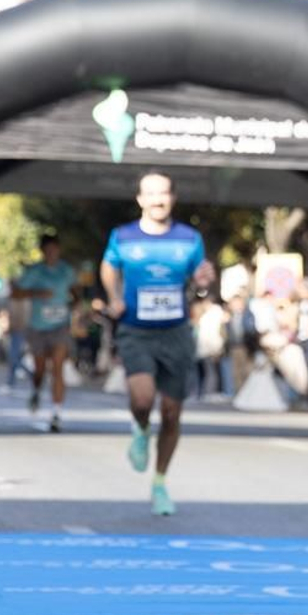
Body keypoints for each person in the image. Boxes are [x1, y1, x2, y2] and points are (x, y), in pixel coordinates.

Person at [100, 171, 205, 515]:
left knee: (172, 413)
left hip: (176, 332)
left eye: (164, 193)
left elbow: (200, 275)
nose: (158, 200)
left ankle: (159, 482)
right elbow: (108, 267)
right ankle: (141, 427)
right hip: (136, 329)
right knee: (143, 398)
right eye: (151, 194)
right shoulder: (123, 236)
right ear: (140, 199)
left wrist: (204, 280)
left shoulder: (189, 238)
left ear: (172, 198)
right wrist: (114, 297)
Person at [13, 233, 78, 432]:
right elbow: (16, 293)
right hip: (38, 327)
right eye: (47, 250)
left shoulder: (66, 271)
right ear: (42, 251)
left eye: (54, 250)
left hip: (60, 325)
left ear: (59, 250)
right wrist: (36, 293)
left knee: (58, 368)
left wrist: (73, 306)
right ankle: (36, 389)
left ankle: (56, 413)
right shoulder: (34, 272)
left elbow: (76, 291)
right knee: (40, 369)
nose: (51, 253)